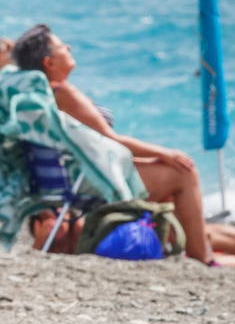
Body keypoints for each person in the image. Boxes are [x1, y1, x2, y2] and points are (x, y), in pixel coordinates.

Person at [13, 24, 215, 263]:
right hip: (84, 184)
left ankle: (168, 245)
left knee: (160, 168)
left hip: (60, 182)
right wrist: (167, 153)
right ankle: (203, 256)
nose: (69, 48)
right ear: (49, 63)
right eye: (61, 47)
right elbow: (112, 140)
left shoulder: (30, 95)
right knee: (183, 173)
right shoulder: (60, 92)